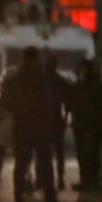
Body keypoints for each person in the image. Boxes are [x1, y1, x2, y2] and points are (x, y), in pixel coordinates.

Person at [0, 46, 64, 202]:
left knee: (21, 165)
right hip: (40, 127)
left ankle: (19, 201)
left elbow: (4, 101)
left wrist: (18, 112)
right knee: (45, 165)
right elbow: (47, 101)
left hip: (22, 126)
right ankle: (50, 200)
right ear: (35, 58)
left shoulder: (14, 77)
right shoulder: (40, 76)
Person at [68, 59, 102, 190]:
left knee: (91, 153)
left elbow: (99, 107)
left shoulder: (95, 87)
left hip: (91, 124)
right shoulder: (79, 87)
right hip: (81, 124)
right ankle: (86, 178)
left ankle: (91, 179)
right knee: (83, 153)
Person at [44, 54, 71, 189]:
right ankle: (60, 177)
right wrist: (65, 117)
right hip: (56, 120)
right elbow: (68, 101)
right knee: (59, 152)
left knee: (44, 152)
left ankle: (43, 179)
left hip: (44, 120)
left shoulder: (41, 80)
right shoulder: (60, 81)